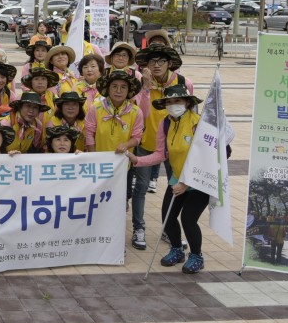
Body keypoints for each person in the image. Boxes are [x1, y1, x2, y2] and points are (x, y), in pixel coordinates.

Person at [127, 84, 211, 273]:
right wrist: (138, 160)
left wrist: (186, 183)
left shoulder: (199, 124)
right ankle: (176, 249)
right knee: (168, 217)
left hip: (199, 181)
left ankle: (197, 255)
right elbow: (160, 154)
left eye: (178, 101)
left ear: (188, 103)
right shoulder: (165, 123)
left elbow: (206, 158)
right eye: (170, 102)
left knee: (189, 219)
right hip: (177, 179)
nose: (173, 105)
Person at [85, 70, 144, 245]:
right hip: (99, 167)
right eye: (115, 86)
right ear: (107, 88)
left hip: (122, 168)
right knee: (97, 201)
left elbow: (137, 137)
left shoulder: (135, 111)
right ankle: (95, 235)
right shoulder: (95, 108)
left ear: (129, 91)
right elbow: (90, 133)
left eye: (123, 87)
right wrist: (95, 157)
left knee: (119, 203)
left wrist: (126, 145)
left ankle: (115, 239)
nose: (118, 90)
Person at [135, 44, 193, 197]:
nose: (156, 65)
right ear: (146, 65)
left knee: (174, 182)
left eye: (161, 61)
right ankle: (138, 222)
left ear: (169, 63)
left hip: (176, 143)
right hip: (147, 141)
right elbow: (142, 113)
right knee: (141, 187)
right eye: (152, 61)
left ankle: (172, 218)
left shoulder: (183, 82)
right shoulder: (141, 82)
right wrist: (146, 87)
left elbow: (191, 114)